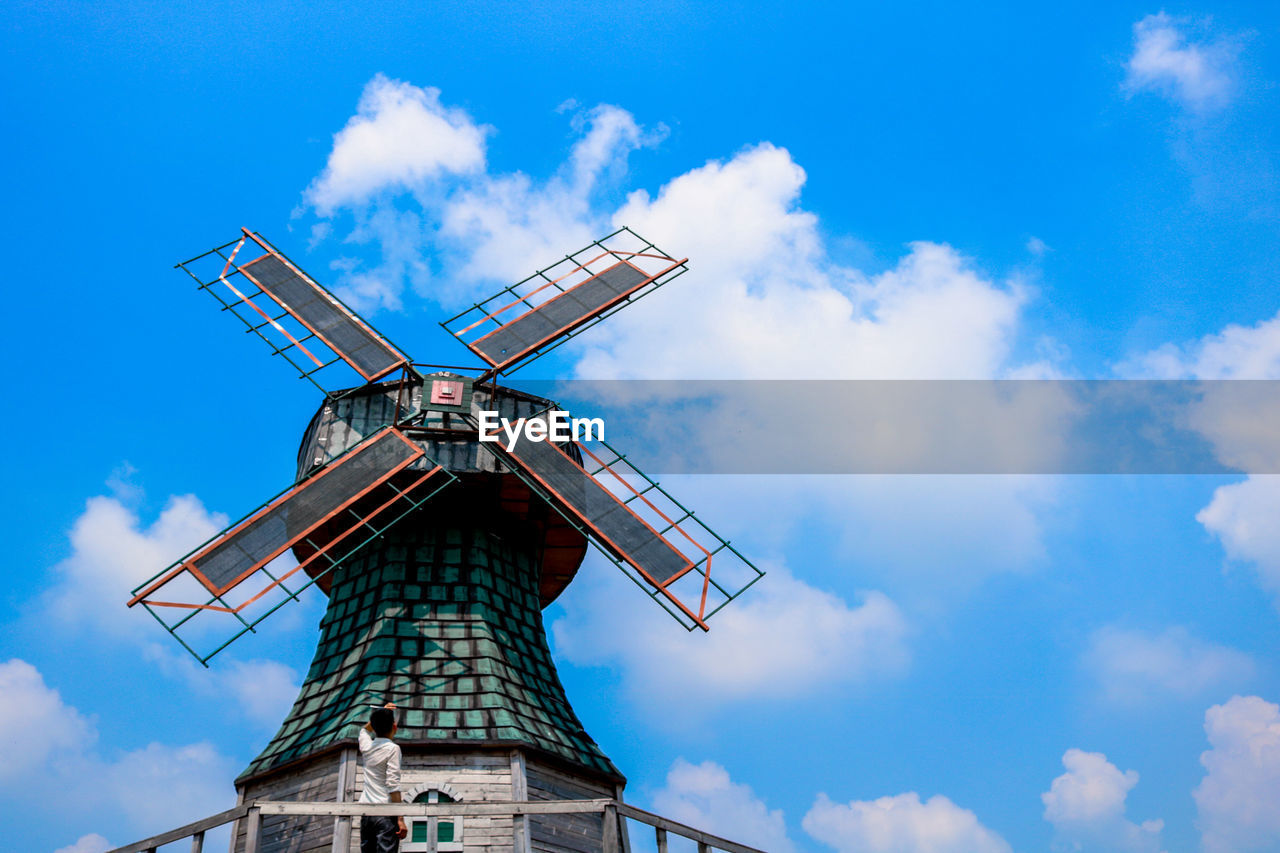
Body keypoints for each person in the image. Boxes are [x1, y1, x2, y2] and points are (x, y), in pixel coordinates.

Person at [359, 702, 407, 853]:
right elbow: (392, 784)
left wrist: (382, 712)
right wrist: (400, 818)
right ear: (394, 727)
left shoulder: (367, 747)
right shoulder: (392, 749)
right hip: (385, 812)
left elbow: (364, 731)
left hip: (366, 813)